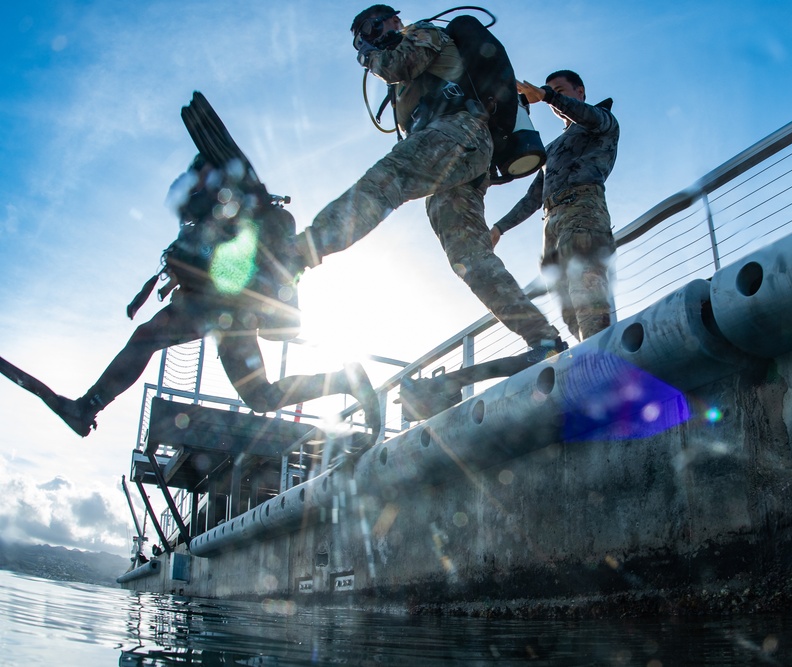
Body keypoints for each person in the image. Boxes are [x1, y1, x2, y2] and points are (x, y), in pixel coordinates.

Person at [28, 154, 381, 440]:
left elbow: (234, 254)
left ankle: (88, 406)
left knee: (147, 339)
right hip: (223, 308)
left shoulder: (236, 204)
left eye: (201, 173)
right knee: (260, 397)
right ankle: (343, 380)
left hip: (229, 303)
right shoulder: (206, 208)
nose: (193, 181)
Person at [289, 4, 564, 359]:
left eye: (370, 28)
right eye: (361, 36)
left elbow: (397, 65)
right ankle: (542, 339)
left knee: (387, 179)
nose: (367, 38)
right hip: (453, 160)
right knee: (469, 257)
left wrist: (368, 55)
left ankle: (295, 256)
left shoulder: (422, 32)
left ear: (392, 21)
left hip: (461, 135)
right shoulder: (403, 89)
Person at [490, 70, 619, 342]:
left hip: (582, 209)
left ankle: (603, 358)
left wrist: (547, 96)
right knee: (567, 304)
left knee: (587, 290)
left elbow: (589, 116)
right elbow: (532, 197)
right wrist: (500, 228)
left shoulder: (601, 120)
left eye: (560, 90)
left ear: (580, 92)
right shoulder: (552, 148)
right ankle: (588, 355)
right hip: (552, 221)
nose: (553, 97)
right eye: (551, 91)